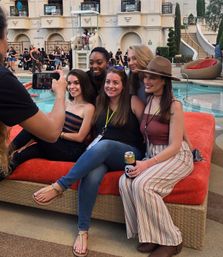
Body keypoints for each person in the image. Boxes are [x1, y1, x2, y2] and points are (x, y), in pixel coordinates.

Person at [33, 67, 145, 257]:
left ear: (124, 84)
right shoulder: (100, 102)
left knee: (106, 145)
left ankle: (60, 186)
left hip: (129, 154)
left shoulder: (132, 101)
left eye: (116, 82)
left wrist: (151, 160)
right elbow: (78, 88)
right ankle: (83, 232)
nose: (111, 86)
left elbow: (148, 130)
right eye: (108, 82)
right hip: (103, 154)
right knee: (91, 176)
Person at [119, 56, 194, 257]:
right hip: (153, 154)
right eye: (146, 77)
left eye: (153, 78)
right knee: (125, 180)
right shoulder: (150, 99)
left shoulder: (174, 105)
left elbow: (176, 145)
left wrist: (146, 165)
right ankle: (148, 235)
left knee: (143, 185)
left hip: (176, 156)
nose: (147, 81)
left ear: (164, 81)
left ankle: (172, 240)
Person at [0, 6, 67, 179]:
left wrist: (17, 99)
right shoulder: (4, 80)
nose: (7, 43)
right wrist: (60, 93)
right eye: (6, 35)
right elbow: (52, 132)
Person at [9, 69, 95, 171]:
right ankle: (4, 165)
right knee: (20, 156)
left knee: (35, 126)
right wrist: (26, 144)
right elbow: (48, 123)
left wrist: (58, 134)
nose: (72, 87)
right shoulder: (66, 103)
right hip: (56, 144)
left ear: (84, 84)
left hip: (72, 150)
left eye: (76, 83)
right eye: (69, 83)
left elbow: (80, 137)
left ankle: (7, 150)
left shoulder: (89, 108)